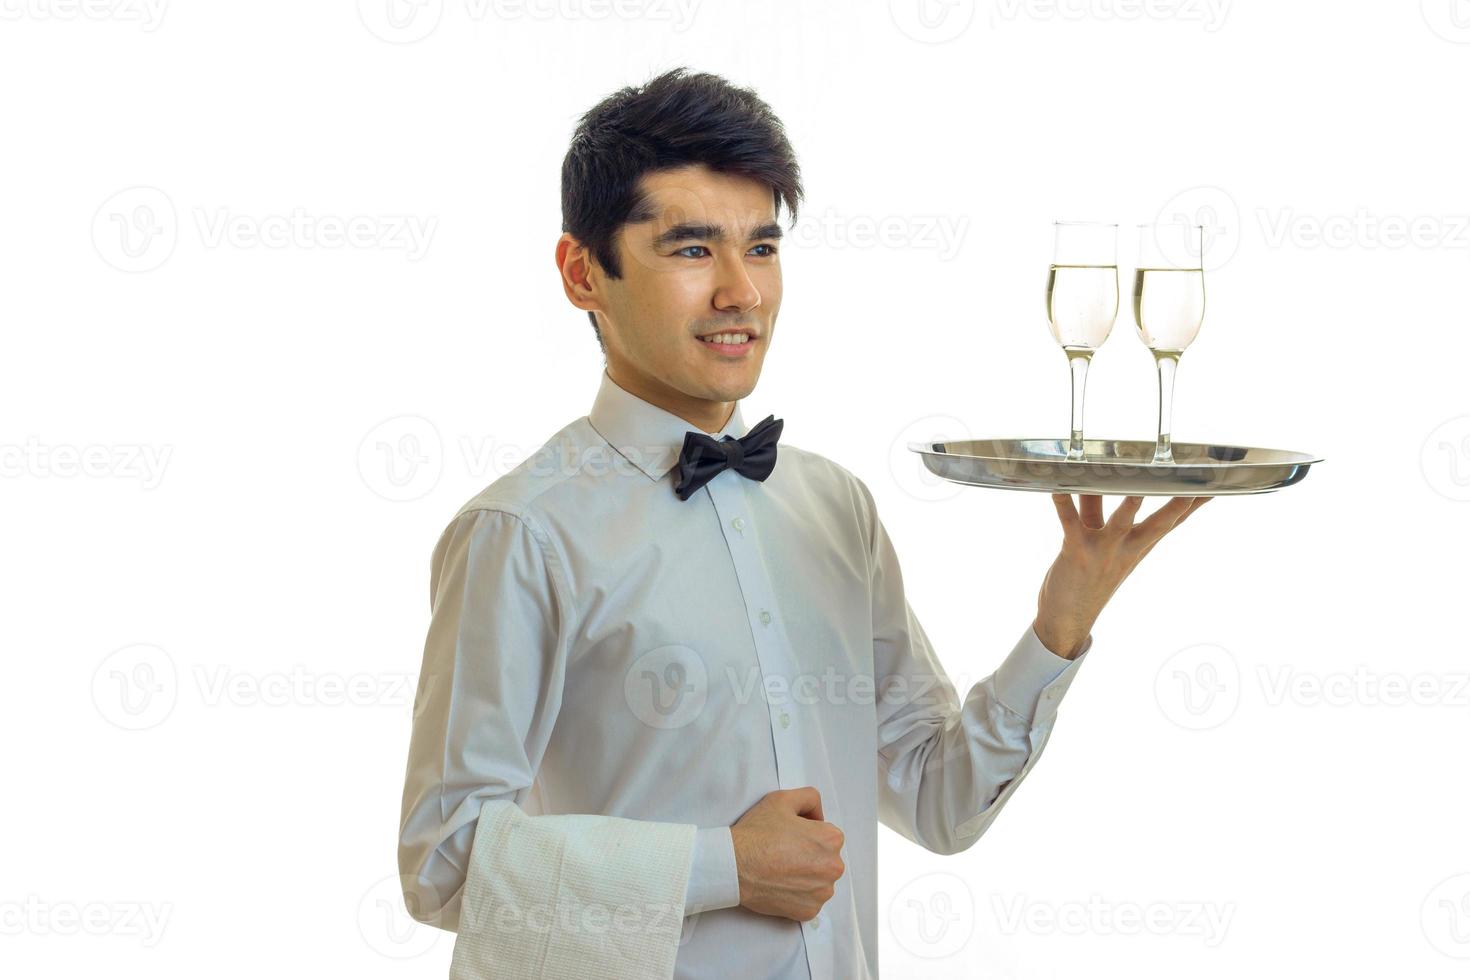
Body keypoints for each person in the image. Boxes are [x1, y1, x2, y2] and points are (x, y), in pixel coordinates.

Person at [397, 65, 1211, 980]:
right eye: (693, 250)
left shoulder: (835, 507)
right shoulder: (520, 531)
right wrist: (726, 868)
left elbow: (939, 801)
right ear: (583, 273)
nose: (741, 292)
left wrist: (1062, 623)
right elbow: (443, 862)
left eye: (764, 247)